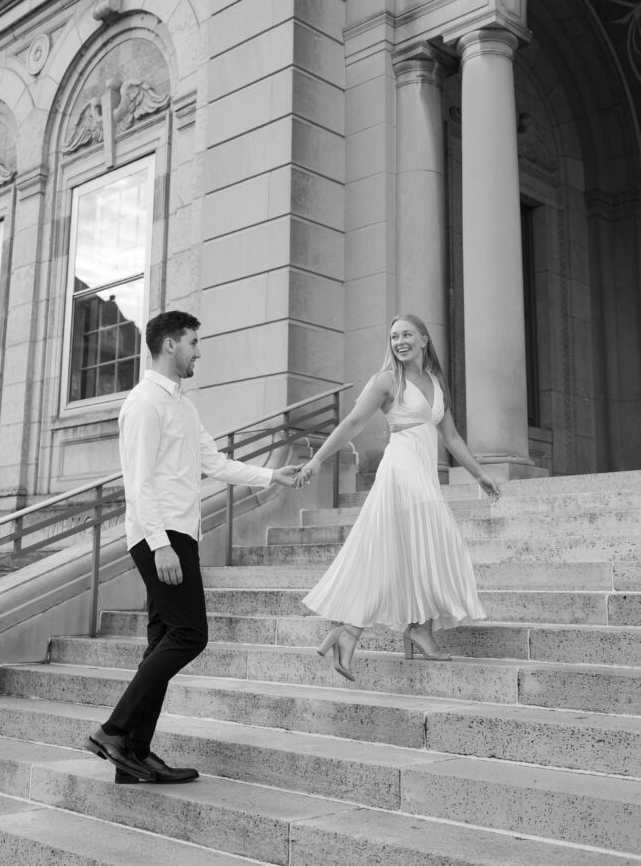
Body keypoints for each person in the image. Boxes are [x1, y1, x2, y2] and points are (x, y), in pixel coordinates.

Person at [86, 310, 299, 783]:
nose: (199, 352)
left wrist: (270, 474)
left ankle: (133, 756)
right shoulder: (144, 404)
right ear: (169, 346)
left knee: (163, 641)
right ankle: (113, 730)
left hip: (179, 535)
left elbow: (213, 462)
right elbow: (137, 484)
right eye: (193, 343)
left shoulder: (182, 404)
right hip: (157, 536)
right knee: (189, 635)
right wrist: (161, 546)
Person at [295, 313, 499, 681]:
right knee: (435, 542)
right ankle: (411, 627)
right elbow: (352, 423)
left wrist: (480, 474)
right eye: (393, 337)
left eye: (406, 334)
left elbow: (451, 437)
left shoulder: (435, 382)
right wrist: (317, 460)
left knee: (405, 551)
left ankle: (357, 631)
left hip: (424, 473)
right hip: (402, 469)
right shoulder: (387, 380)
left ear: (424, 339)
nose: (399, 341)